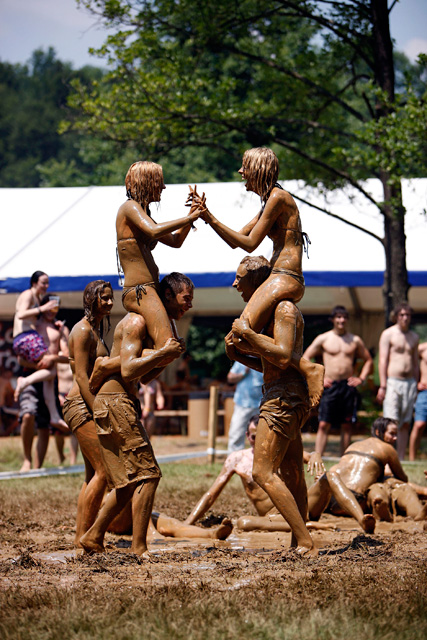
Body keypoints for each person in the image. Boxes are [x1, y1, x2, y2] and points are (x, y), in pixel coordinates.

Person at [190, 147, 324, 407]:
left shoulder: (279, 198)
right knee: (237, 341)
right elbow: (237, 240)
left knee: (242, 334)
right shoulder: (269, 201)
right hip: (278, 276)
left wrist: (210, 217)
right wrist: (206, 216)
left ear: (259, 169)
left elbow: (250, 243)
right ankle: (288, 370)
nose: (241, 172)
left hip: (286, 277)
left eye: (245, 167)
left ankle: (309, 368)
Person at [80, 273, 194, 557]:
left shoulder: (152, 327)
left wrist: (166, 356)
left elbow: (143, 379)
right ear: (167, 297)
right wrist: (161, 353)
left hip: (119, 400)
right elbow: (130, 369)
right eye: (186, 299)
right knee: (148, 474)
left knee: (128, 480)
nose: (189, 305)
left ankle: (92, 536)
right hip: (115, 401)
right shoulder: (136, 320)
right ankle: (138, 546)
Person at [223, 256, 318, 555]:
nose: (235, 283)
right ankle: (299, 540)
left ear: (259, 281)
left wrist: (249, 335)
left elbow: (281, 356)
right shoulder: (273, 312)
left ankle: (304, 540)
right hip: (281, 392)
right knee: (291, 472)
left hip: (284, 398)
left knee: (262, 472)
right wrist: (238, 355)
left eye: (240, 278)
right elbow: (272, 364)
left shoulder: (284, 309)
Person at [185, 414, 334, 533]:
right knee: (244, 522)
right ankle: (305, 526)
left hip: (299, 508)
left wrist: (316, 456)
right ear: (247, 435)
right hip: (272, 517)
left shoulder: (280, 452)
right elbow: (211, 495)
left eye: (261, 437)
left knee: (330, 477)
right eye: (253, 437)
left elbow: (311, 457)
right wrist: (187, 524)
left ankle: (304, 522)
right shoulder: (237, 459)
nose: (257, 442)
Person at [116, 160, 201, 353]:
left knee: (171, 349)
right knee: (168, 347)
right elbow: (154, 231)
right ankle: (108, 366)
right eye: (158, 182)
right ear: (145, 182)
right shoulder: (129, 208)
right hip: (140, 291)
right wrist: (189, 219)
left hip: (150, 290)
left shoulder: (143, 214)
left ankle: (124, 368)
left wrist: (192, 214)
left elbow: (175, 241)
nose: (163, 187)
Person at [63, 280, 115, 546]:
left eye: (110, 297)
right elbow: (82, 378)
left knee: (92, 475)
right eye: (103, 298)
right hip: (80, 405)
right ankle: (87, 539)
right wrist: (98, 409)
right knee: (104, 472)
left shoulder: (97, 329)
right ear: (91, 300)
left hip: (87, 403)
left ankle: (80, 538)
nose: (109, 302)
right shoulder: (82, 331)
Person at [308, 417, 408, 533]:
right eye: (391, 434)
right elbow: (403, 478)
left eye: (396, 434)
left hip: (329, 500)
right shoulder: (388, 449)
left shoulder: (354, 444)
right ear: (377, 432)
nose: (395, 438)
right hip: (355, 501)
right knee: (382, 490)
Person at [303, 305, 373, 456]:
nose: (341, 320)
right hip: (330, 385)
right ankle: (318, 457)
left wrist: (361, 378)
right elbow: (305, 358)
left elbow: (368, 360)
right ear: (333, 319)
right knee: (323, 424)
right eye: (338, 317)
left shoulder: (354, 340)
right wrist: (318, 378)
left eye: (344, 317)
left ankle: (343, 459)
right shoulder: (324, 338)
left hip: (347, 385)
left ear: (347, 320)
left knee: (347, 425)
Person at [16, 294, 70, 470]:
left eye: (57, 306)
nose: (53, 310)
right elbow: (20, 359)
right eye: (51, 305)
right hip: (30, 375)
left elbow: (68, 357)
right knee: (27, 415)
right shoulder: (33, 326)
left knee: (45, 425)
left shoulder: (60, 329)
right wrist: (37, 364)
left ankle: (37, 467)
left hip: (49, 380)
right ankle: (26, 459)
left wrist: (52, 358)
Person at [13, 271, 67, 429]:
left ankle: (55, 416)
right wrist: (43, 308)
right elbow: (21, 314)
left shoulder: (36, 300)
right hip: (26, 337)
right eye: (43, 282)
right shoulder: (28, 294)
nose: (46, 286)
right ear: (34, 282)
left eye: (47, 283)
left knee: (49, 377)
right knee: (50, 372)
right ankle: (24, 382)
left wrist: (55, 322)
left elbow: (43, 317)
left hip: (26, 338)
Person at [376, 303, 419, 460]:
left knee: (405, 422)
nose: (405, 318)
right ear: (396, 316)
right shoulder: (388, 334)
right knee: (391, 421)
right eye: (401, 315)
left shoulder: (414, 337)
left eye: (407, 314)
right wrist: (383, 385)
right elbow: (383, 360)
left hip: (410, 383)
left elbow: (415, 363)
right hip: (392, 382)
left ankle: (399, 458)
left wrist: (417, 382)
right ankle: (387, 457)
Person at [409, 342, 427, 460]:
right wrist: (416, 381)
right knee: (419, 424)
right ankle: (412, 459)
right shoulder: (422, 348)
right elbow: (404, 359)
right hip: (424, 391)